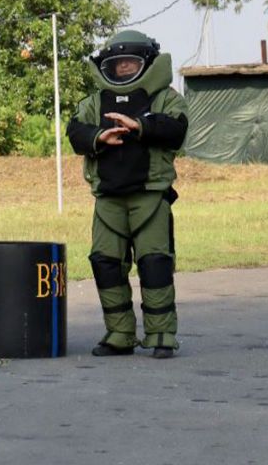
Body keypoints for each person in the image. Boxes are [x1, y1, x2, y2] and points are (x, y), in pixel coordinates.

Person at [66, 30, 189, 359]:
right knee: (105, 263)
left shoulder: (166, 97)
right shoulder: (93, 102)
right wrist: (99, 136)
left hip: (150, 196)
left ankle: (161, 334)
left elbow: (176, 129)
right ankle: (119, 332)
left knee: (155, 264)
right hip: (107, 198)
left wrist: (140, 126)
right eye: (116, 64)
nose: (122, 69)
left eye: (130, 63)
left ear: (148, 63)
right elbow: (75, 132)